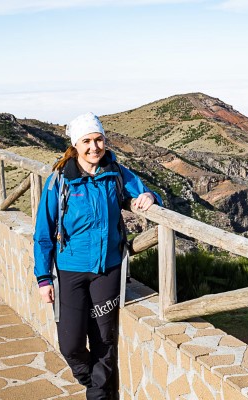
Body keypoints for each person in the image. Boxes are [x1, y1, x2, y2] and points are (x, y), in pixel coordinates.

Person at [33, 112, 161, 400]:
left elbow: (149, 193)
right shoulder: (59, 182)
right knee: (71, 344)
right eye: (87, 141)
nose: (94, 147)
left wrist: (150, 198)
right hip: (71, 269)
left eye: (99, 139)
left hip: (108, 269)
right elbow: (43, 233)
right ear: (76, 145)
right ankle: (94, 382)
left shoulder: (115, 172)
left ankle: (98, 395)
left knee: (104, 339)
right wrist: (43, 277)